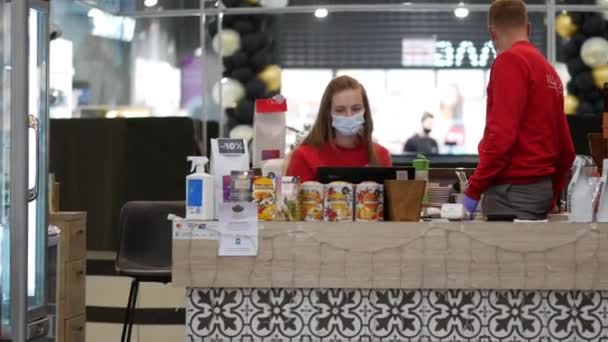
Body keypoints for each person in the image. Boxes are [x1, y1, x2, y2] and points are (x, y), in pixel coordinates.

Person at [463, 0, 575, 220]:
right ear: (528, 27)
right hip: (539, 193)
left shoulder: (509, 61)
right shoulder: (549, 72)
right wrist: (551, 194)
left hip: (511, 194)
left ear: (492, 32)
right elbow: (566, 150)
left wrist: (474, 189)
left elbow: (501, 136)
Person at [285, 75, 392, 182]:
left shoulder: (380, 155)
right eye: (340, 110)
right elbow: (291, 198)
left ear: (365, 110)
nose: (349, 115)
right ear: (328, 113)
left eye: (356, 109)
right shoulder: (304, 156)